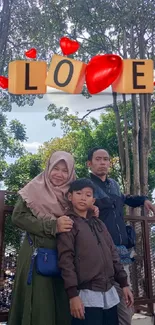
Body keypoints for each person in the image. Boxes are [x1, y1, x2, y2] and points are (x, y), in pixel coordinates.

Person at [86, 147, 155, 325]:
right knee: (101, 301)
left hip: (120, 252)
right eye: (98, 159)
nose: (103, 162)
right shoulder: (85, 186)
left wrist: (144, 200)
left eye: (106, 159)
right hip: (97, 252)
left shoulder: (114, 185)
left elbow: (125, 198)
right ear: (89, 163)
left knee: (125, 300)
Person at [8, 151, 76, 325]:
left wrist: (92, 210)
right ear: (48, 168)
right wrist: (52, 226)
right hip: (37, 255)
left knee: (62, 303)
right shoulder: (35, 188)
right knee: (40, 305)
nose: (59, 175)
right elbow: (18, 217)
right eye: (55, 168)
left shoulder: (74, 192)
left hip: (65, 256)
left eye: (64, 170)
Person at [57, 178, 134, 325]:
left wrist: (124, 284)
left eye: (88, 195)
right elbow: (65, 261)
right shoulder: (68, 223)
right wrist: (73, 295)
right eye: (79, 193)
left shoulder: (99, 224)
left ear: (93, 199)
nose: (83, 198)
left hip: (109, 292)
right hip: (86, 294)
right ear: (70, 196)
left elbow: (113, 254)